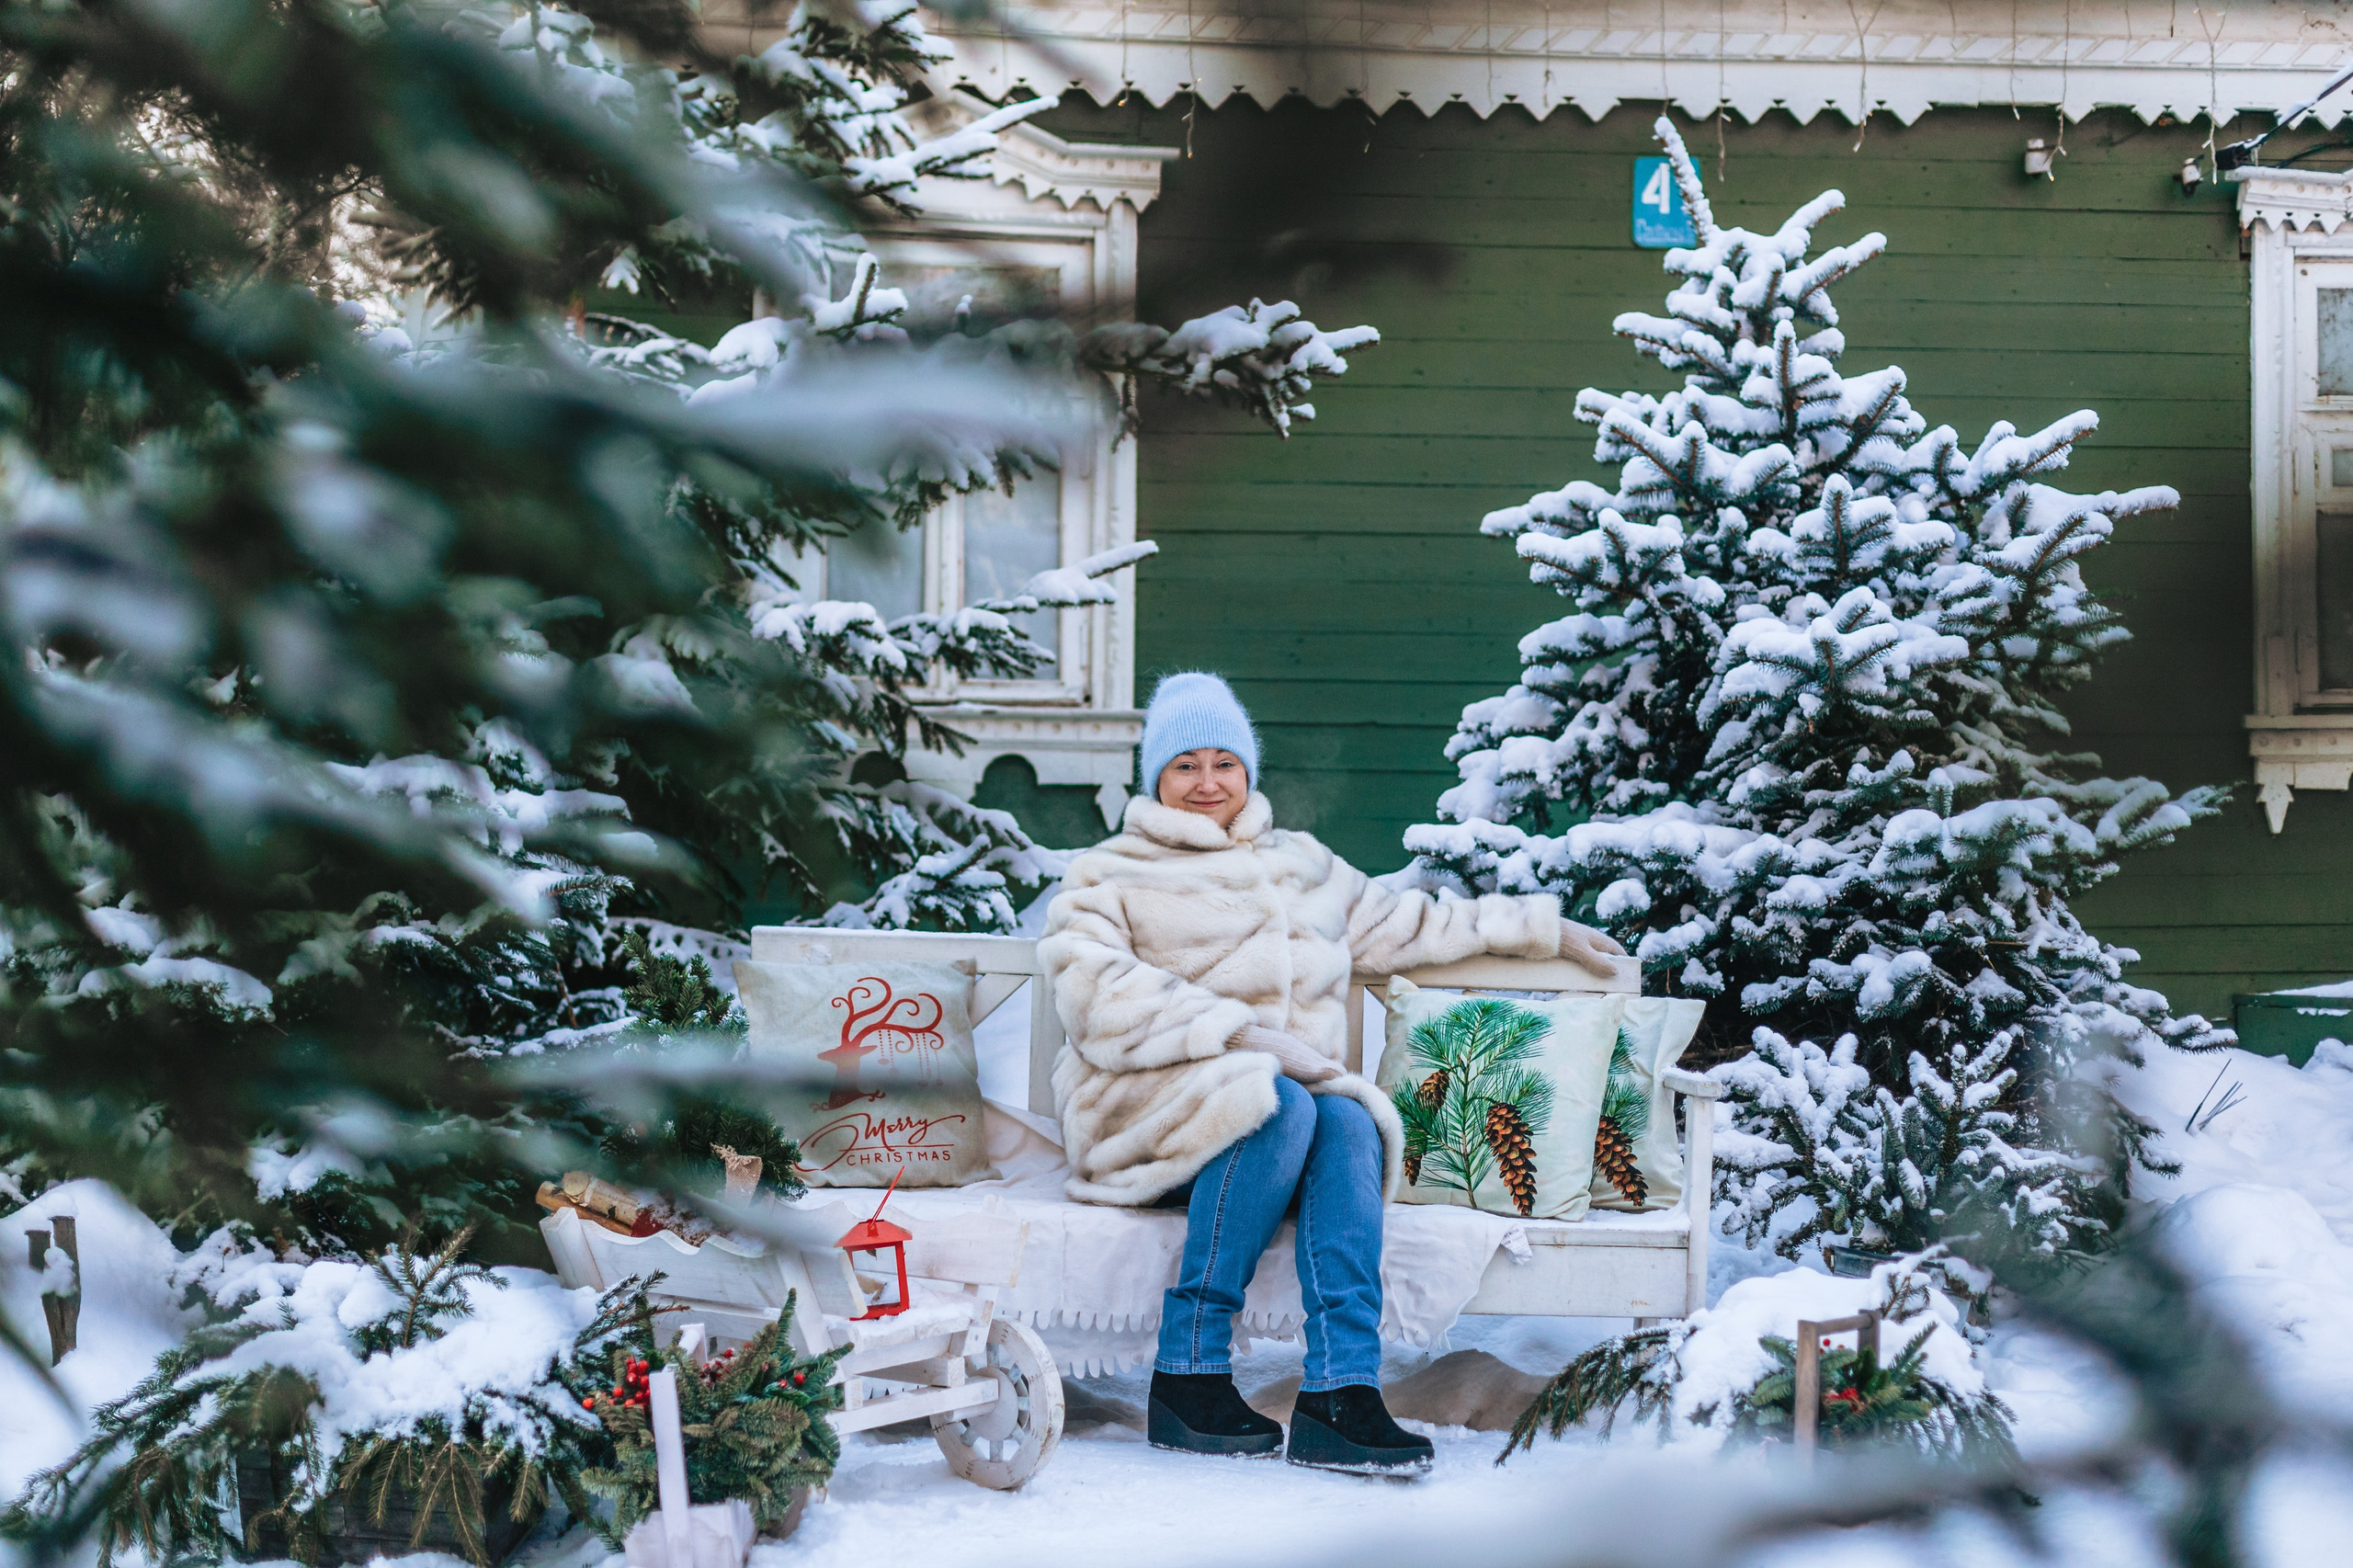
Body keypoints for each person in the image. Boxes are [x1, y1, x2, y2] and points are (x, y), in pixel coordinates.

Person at [1039, 672, 1624, 1475]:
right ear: (1156, 777)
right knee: (1281, 1103)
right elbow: (1092, 989)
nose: (1207, 782)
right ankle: (1189, 1372)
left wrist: (1541, 930)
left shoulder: (1303, 864)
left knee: (1345, 1116)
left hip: (1288, 1118)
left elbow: (1412, 921)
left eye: (1224, 762)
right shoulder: (1107, 872)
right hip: (1151, 1118)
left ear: (1248, 770)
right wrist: (1247, 1037)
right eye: (1185, 765)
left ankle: (1341, 1394)